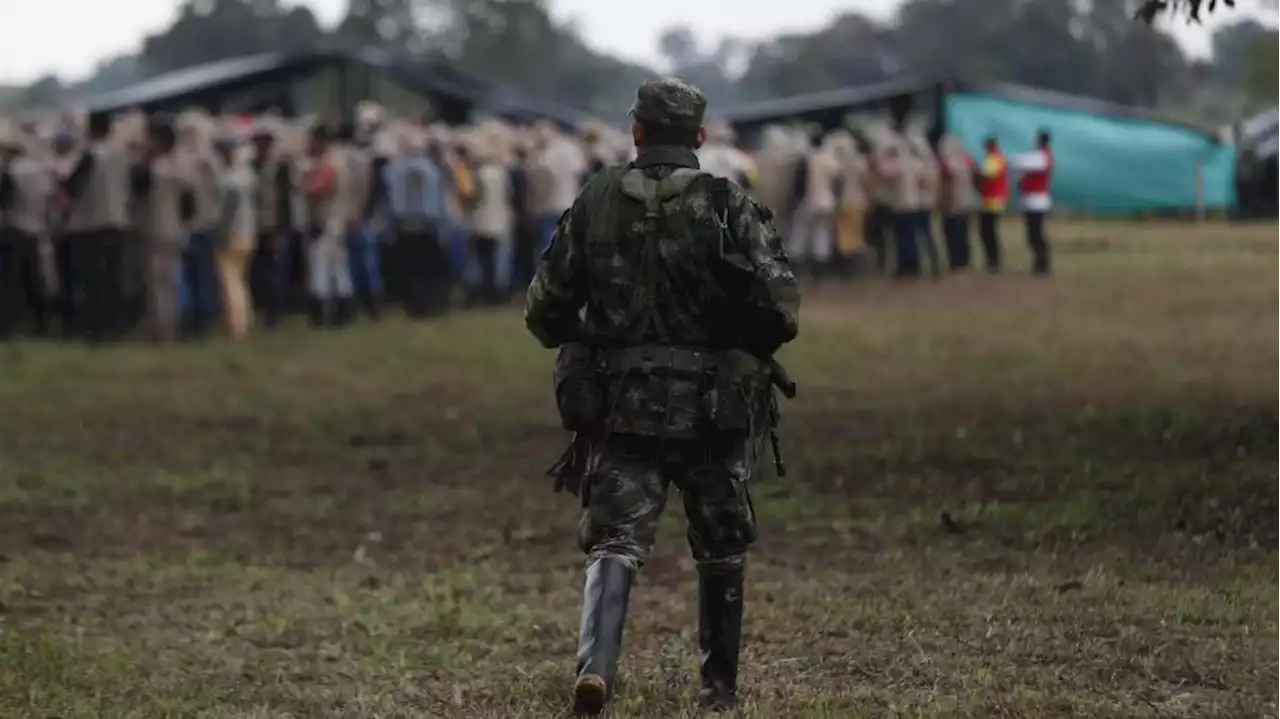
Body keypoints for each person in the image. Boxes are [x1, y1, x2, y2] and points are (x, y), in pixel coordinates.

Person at [525, 78, 800, 716]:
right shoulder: (727, 201)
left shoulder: (596, 200)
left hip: (622, 403)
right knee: (722, 544)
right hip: (715, 407)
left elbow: (545, 310)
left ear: (637, 133)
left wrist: (590, 340)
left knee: (615, 540)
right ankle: (718, 690)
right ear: (699, 138)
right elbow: (780, 310)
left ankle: (596, 668)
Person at [1012, 129, 1054, 275]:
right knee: (1033, 234)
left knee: (1036, 234)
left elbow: (1021, 162)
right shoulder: (1042, 156)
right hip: (1031, 199)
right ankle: (1039, 263)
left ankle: (1042, 265)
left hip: (1037, 200)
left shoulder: (1044, 156)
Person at [976, 136, 1009, 272]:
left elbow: (985, 173)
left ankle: (994, 261)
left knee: (987, 232)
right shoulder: (998, 157)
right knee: (988, 231)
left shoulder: (994, 158)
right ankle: (993, 261)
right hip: (994, 199)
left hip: (993, 200)